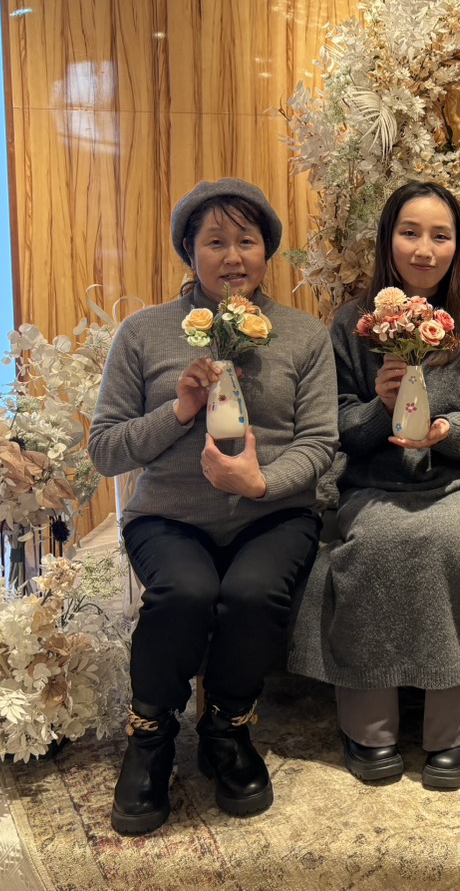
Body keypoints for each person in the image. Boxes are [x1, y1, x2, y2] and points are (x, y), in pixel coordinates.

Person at [89, 178, 340, 836]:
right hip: (170, 516)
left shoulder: (303, 335)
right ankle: (149, 737)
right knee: (185, 593)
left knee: (253, 593)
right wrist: (179, 410)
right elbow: (105, 450)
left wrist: (260, 484)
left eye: (247, 241)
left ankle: (227, 729)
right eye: (215, 242)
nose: (233, 257)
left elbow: (320, 442)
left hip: (273, 513)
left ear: (267, 251)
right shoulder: (144, 333)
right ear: (189, 251)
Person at [288, 181, 460, 791]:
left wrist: (446, 431)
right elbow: (333, 422)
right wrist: (379, 407)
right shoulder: (351, 326)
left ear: (457, 247)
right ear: (388, 240)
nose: (424, 249)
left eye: (441, 236)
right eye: (410, 233)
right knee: (373, 544)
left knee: (450, 541)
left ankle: (455, 729)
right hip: (376, 485)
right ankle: (369, 728)